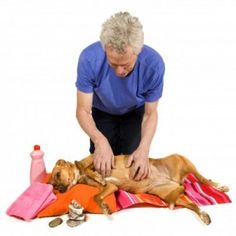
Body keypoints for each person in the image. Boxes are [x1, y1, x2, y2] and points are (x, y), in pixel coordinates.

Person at [75, 12, 165, 181]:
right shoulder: (89, 59)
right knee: (101, 167)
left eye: (125, 65)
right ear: (105, 50)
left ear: (138, 52)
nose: (119, 71)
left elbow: (150, 113)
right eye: (113, 64)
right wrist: (99, 141)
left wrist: (144, 150)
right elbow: (82, 110)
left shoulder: (154, 65)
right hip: (102, 110)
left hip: (135, 111)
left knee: (132, 169)